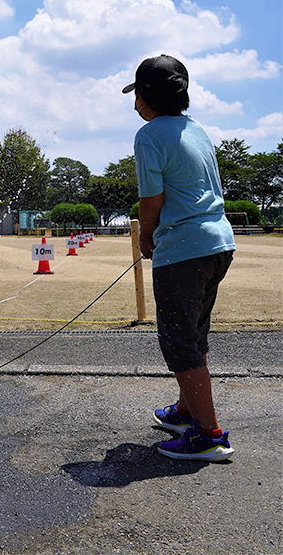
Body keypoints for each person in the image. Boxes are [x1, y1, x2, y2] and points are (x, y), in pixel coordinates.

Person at [123, 54, 236, 462]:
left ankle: (209, 435)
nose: (135, 103)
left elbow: (151, 201)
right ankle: (186, 411)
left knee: (180, 344)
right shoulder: (197, 129)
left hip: (183, 251)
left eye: (136, 94)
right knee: (194, 334)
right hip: (218, 243)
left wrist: (147, 237)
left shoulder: (150, 135)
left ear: (146, 97)